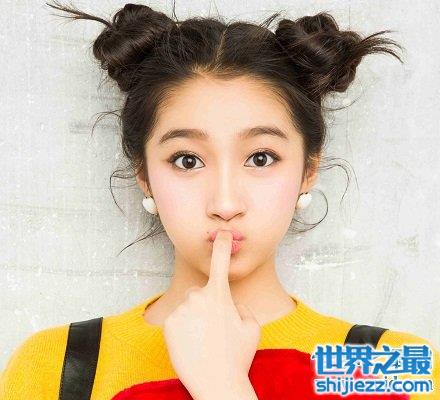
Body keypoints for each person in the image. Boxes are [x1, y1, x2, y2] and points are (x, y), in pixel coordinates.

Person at [1, 2, 438, 399]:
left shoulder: (389, 366)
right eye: (187, 160)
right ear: (144, 176)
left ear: (308, 170)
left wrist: (222, 385)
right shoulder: (57, 366)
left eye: (261, 158)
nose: (225, 203)